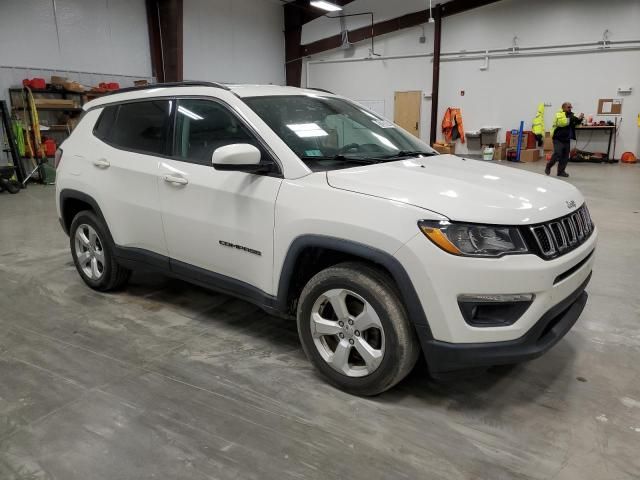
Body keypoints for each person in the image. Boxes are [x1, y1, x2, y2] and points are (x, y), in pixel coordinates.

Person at [545, 102, 583, 177]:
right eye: (568, 107)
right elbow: (561, 123)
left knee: (565, 157)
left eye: (571, 107)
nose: (570, 108)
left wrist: (580, 119)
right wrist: (572, 119)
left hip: (566, 138)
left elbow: (576, 123)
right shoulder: (559, 114)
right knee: (558, 153)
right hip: (558, 138)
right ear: (563, 108)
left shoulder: (571, 115)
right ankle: (548, 166)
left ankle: (561, 172)